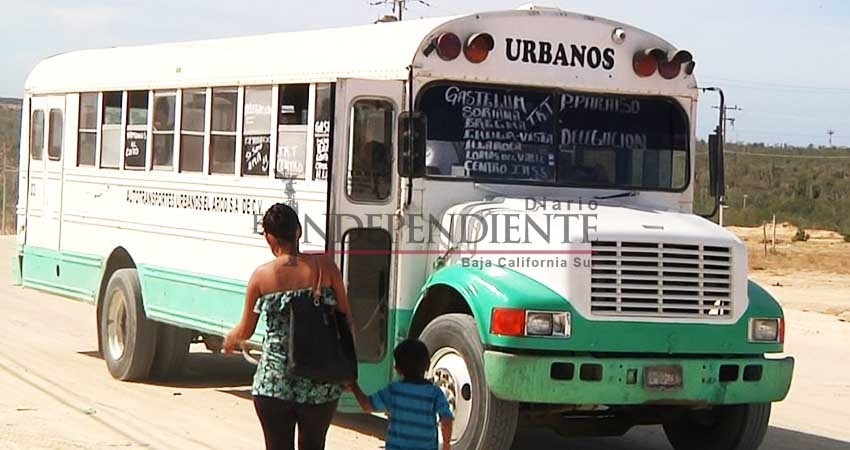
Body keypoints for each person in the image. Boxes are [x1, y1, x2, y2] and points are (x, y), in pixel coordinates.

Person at [223, 203, 353, 450]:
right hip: (320, 383)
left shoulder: (261, 276)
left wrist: (230, 338)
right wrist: (347, 370)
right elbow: (346, 320)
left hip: (274, 384)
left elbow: (246, 330)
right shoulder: (326, 268)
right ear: (299, 231)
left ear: (269, 238)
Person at [348, 339, 453, 450]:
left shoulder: (394, 390)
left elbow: (367, 405)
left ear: (398, 369)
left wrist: (354, 387)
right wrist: (446, 444)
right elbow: (446, 419)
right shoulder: (435, 393)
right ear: (427, 365)